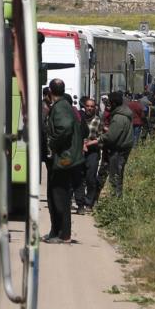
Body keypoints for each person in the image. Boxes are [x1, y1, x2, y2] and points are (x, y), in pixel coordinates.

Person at [43, 79, 85, 244]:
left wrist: (53, 142)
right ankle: (56, 231)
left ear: (50, 91)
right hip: (63, 158)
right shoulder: (63, 105)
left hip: (64, 158)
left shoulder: (60, 107)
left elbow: (65, 127)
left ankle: (63, 234)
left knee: (60, 196)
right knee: (55, 195)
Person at [98, 91, 133, 199]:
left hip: (117, 151)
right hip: (120, 150)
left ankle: (115, 201)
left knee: (115, 177)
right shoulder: (123, 114)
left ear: (113, 103)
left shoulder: (119, 117)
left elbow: (111, 137)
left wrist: (99, 139)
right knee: (117, 176)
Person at [80, 98, 104, 212]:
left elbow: (101, 137)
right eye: (88, 106)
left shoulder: (98, 120)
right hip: (80, 152)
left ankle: (89, 202)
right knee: (80, 177)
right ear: (84, 106)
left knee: (90, 177)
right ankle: (80, 201)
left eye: (91, 106)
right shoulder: (80, 119)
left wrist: (90, 143)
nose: (89, 108)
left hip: (93, 152)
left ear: (95, 108)